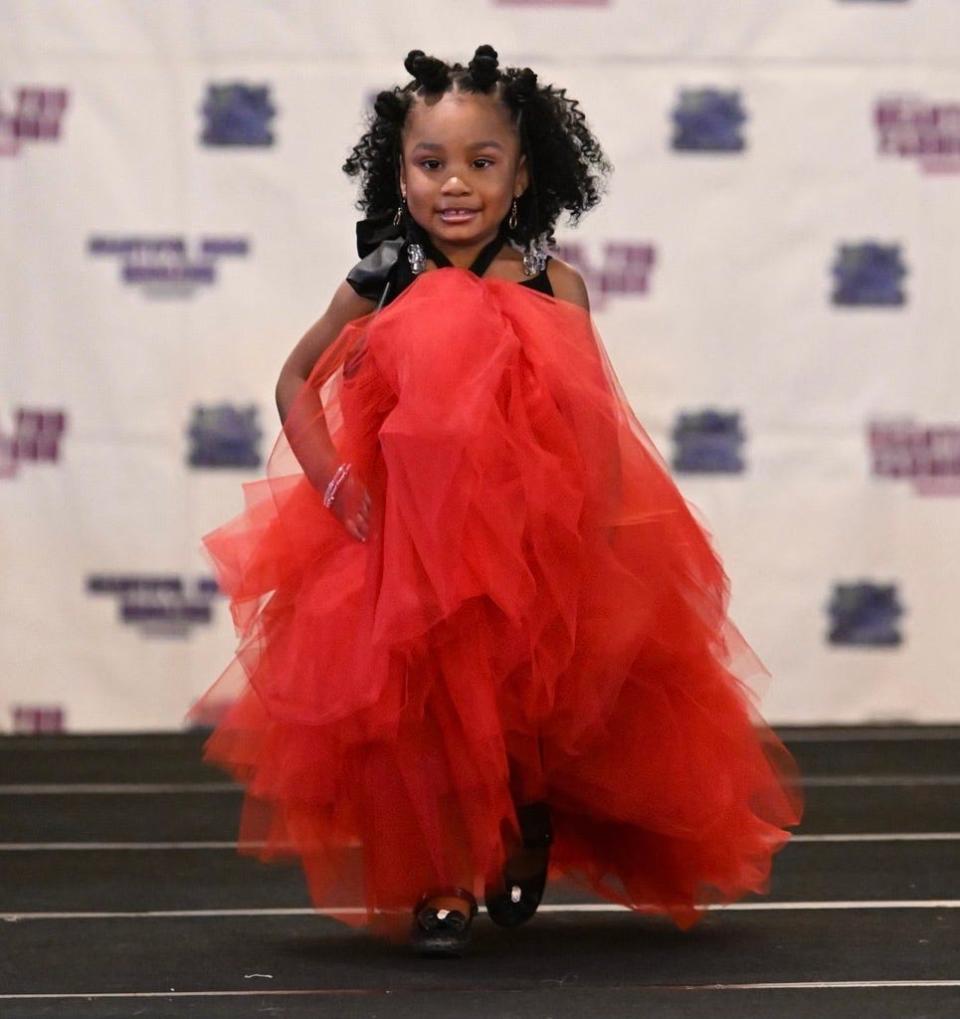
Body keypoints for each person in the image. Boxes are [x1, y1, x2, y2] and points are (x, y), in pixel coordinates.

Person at [188, 45, 803, 958]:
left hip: (527, 538)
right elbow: (294, 380)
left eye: (483, 162)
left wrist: (593, 530)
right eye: (431, 163)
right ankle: (442, 875)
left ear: (524, 173)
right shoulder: (384, 274)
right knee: (425, 717)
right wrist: (334, 481)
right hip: (405, 543)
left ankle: (527, 819)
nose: (456, 185)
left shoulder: (551, 283)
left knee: (527, 705)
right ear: (398, 170)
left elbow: (589, 415)